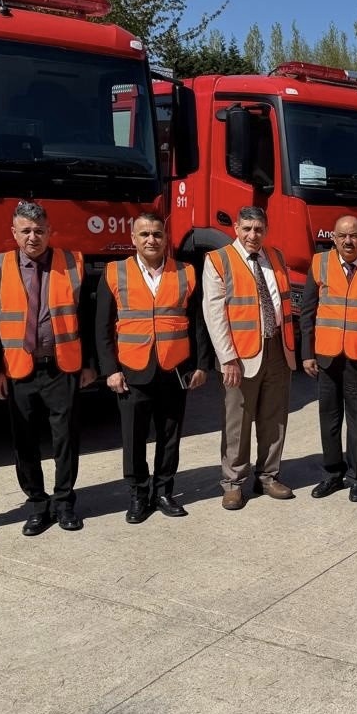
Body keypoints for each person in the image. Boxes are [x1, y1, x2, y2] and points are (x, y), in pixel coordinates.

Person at [0, 201, 97, 536]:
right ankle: (37, 505)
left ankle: (64, 503)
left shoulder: (73, 263)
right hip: (17, 369)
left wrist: (90, 364)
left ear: (50, 232)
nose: (32, 237)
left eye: (39, 231)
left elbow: (87, 316)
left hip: (62, 367)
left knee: (66, 440)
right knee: (24, 442)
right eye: (26, 231)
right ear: (14, 233)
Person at [95, 212, 210, 523]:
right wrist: (110, 370)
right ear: (133, 238)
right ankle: (138, 495)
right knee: (133, 438)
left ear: (165, 237)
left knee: (170, 436)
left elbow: (198, 322)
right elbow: (102, 326)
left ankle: (163, 492)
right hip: (132, 369)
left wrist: (202, 364)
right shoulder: (114, 272)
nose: (151, 240)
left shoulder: (186, 272)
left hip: (174, 368)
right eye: (144, 234)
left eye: (157, 234)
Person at [203, 205, 297, 511]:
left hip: (277, 348)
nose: (252, 235)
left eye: (258, 229)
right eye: (246, 229)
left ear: (266, 230)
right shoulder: (218, 260)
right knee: (237, 422)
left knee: (274, 418)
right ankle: (233, 483)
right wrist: (227, 358)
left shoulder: (276, 257)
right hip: (240, 356)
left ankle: (268, 476)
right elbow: (214, 314)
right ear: (236, 229)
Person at [299, 215, 357, 503]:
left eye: (354, 235)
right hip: (327, 356)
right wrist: (307, 353)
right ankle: (332, 474)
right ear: (334, 238)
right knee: (329, 418)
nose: (348, 241)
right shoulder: (320, 263)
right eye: (342, 236)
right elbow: (307, 311)